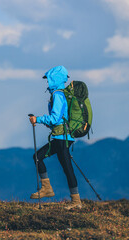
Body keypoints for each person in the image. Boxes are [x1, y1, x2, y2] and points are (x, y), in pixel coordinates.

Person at [29, 65, 82, 210]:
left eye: (49, 79)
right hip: (62, 136)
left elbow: (55, 118)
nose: (47, 82)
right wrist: (51, 125)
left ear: (55, 79)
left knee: (66, 167)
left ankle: (75, 200)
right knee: (39, 157)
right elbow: (59, 118)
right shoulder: (59, 94)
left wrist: (37, 119)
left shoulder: (58, 95)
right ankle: (49, 189)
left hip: (62, 137)